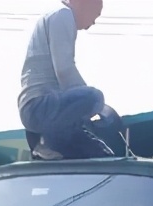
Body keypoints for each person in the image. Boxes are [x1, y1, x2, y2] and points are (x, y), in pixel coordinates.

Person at [19, 0, 116, 159]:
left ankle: (47, 147)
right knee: (94, 96)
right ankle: (46, 141)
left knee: (100, 154)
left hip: (38, 112)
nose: (93, 22)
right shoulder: (63, 14)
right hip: (42, 108)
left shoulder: (53, 17)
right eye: (95, 15)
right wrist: (97, 107)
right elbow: (64, 70)